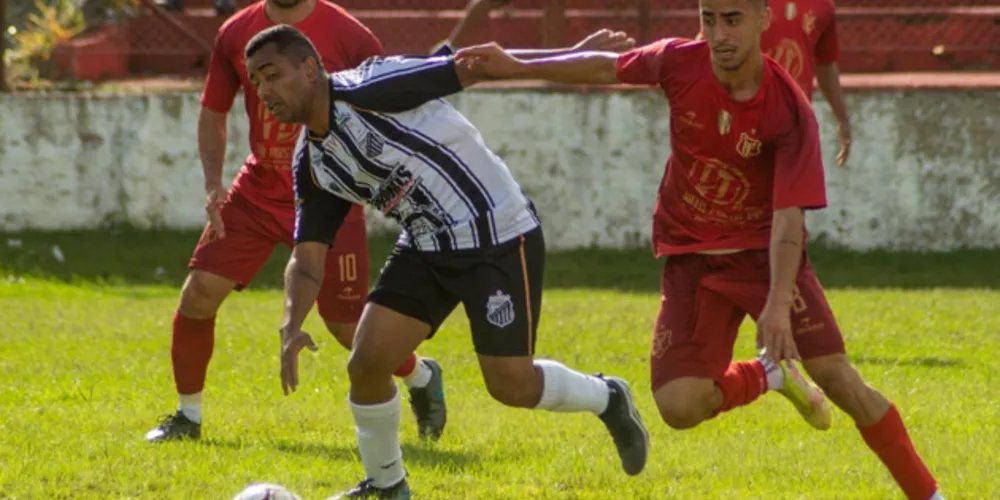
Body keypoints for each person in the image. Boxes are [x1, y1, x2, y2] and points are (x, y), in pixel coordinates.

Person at [455, 1, 945, 499]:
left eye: (732, 19)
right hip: (691, 258)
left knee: (839, 382)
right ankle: (768, 374)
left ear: (761, 20)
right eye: (710, 18)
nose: (719, 33)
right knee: (679, 406)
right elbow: (607, 65)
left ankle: (929, 494)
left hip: (762, 258)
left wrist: (777, 304)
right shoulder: (678, 61)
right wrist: (517, 64)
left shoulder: (788, 109)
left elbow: (788, 216)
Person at [244, 24, 648, 499]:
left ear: (309, 69)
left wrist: (569, 57)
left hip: (496, 232)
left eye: (272, 75)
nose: (264, 92)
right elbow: (308, 257)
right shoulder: (314, 163)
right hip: (426, 244)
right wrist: (291, 324)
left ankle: (609, 396)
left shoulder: (373, 86)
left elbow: (482, 62)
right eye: (255, 82)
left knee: (511, 385)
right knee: (367, 364)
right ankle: (388, 485)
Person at [145, 0, 450, 444]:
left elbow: (385, 106)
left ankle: (422, 376)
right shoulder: (235, 32)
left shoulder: (351, 35)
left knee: (347, 326)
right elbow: (213, 109)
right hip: (258, 189)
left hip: (330, 191)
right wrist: (214, 187)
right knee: (198, 296)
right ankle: (187, 417)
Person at [698, 0, 851, 166]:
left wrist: (842, 118)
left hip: (791, 128)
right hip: (737, 124)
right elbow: (704, 51)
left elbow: (825, 64)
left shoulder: (823, 5)